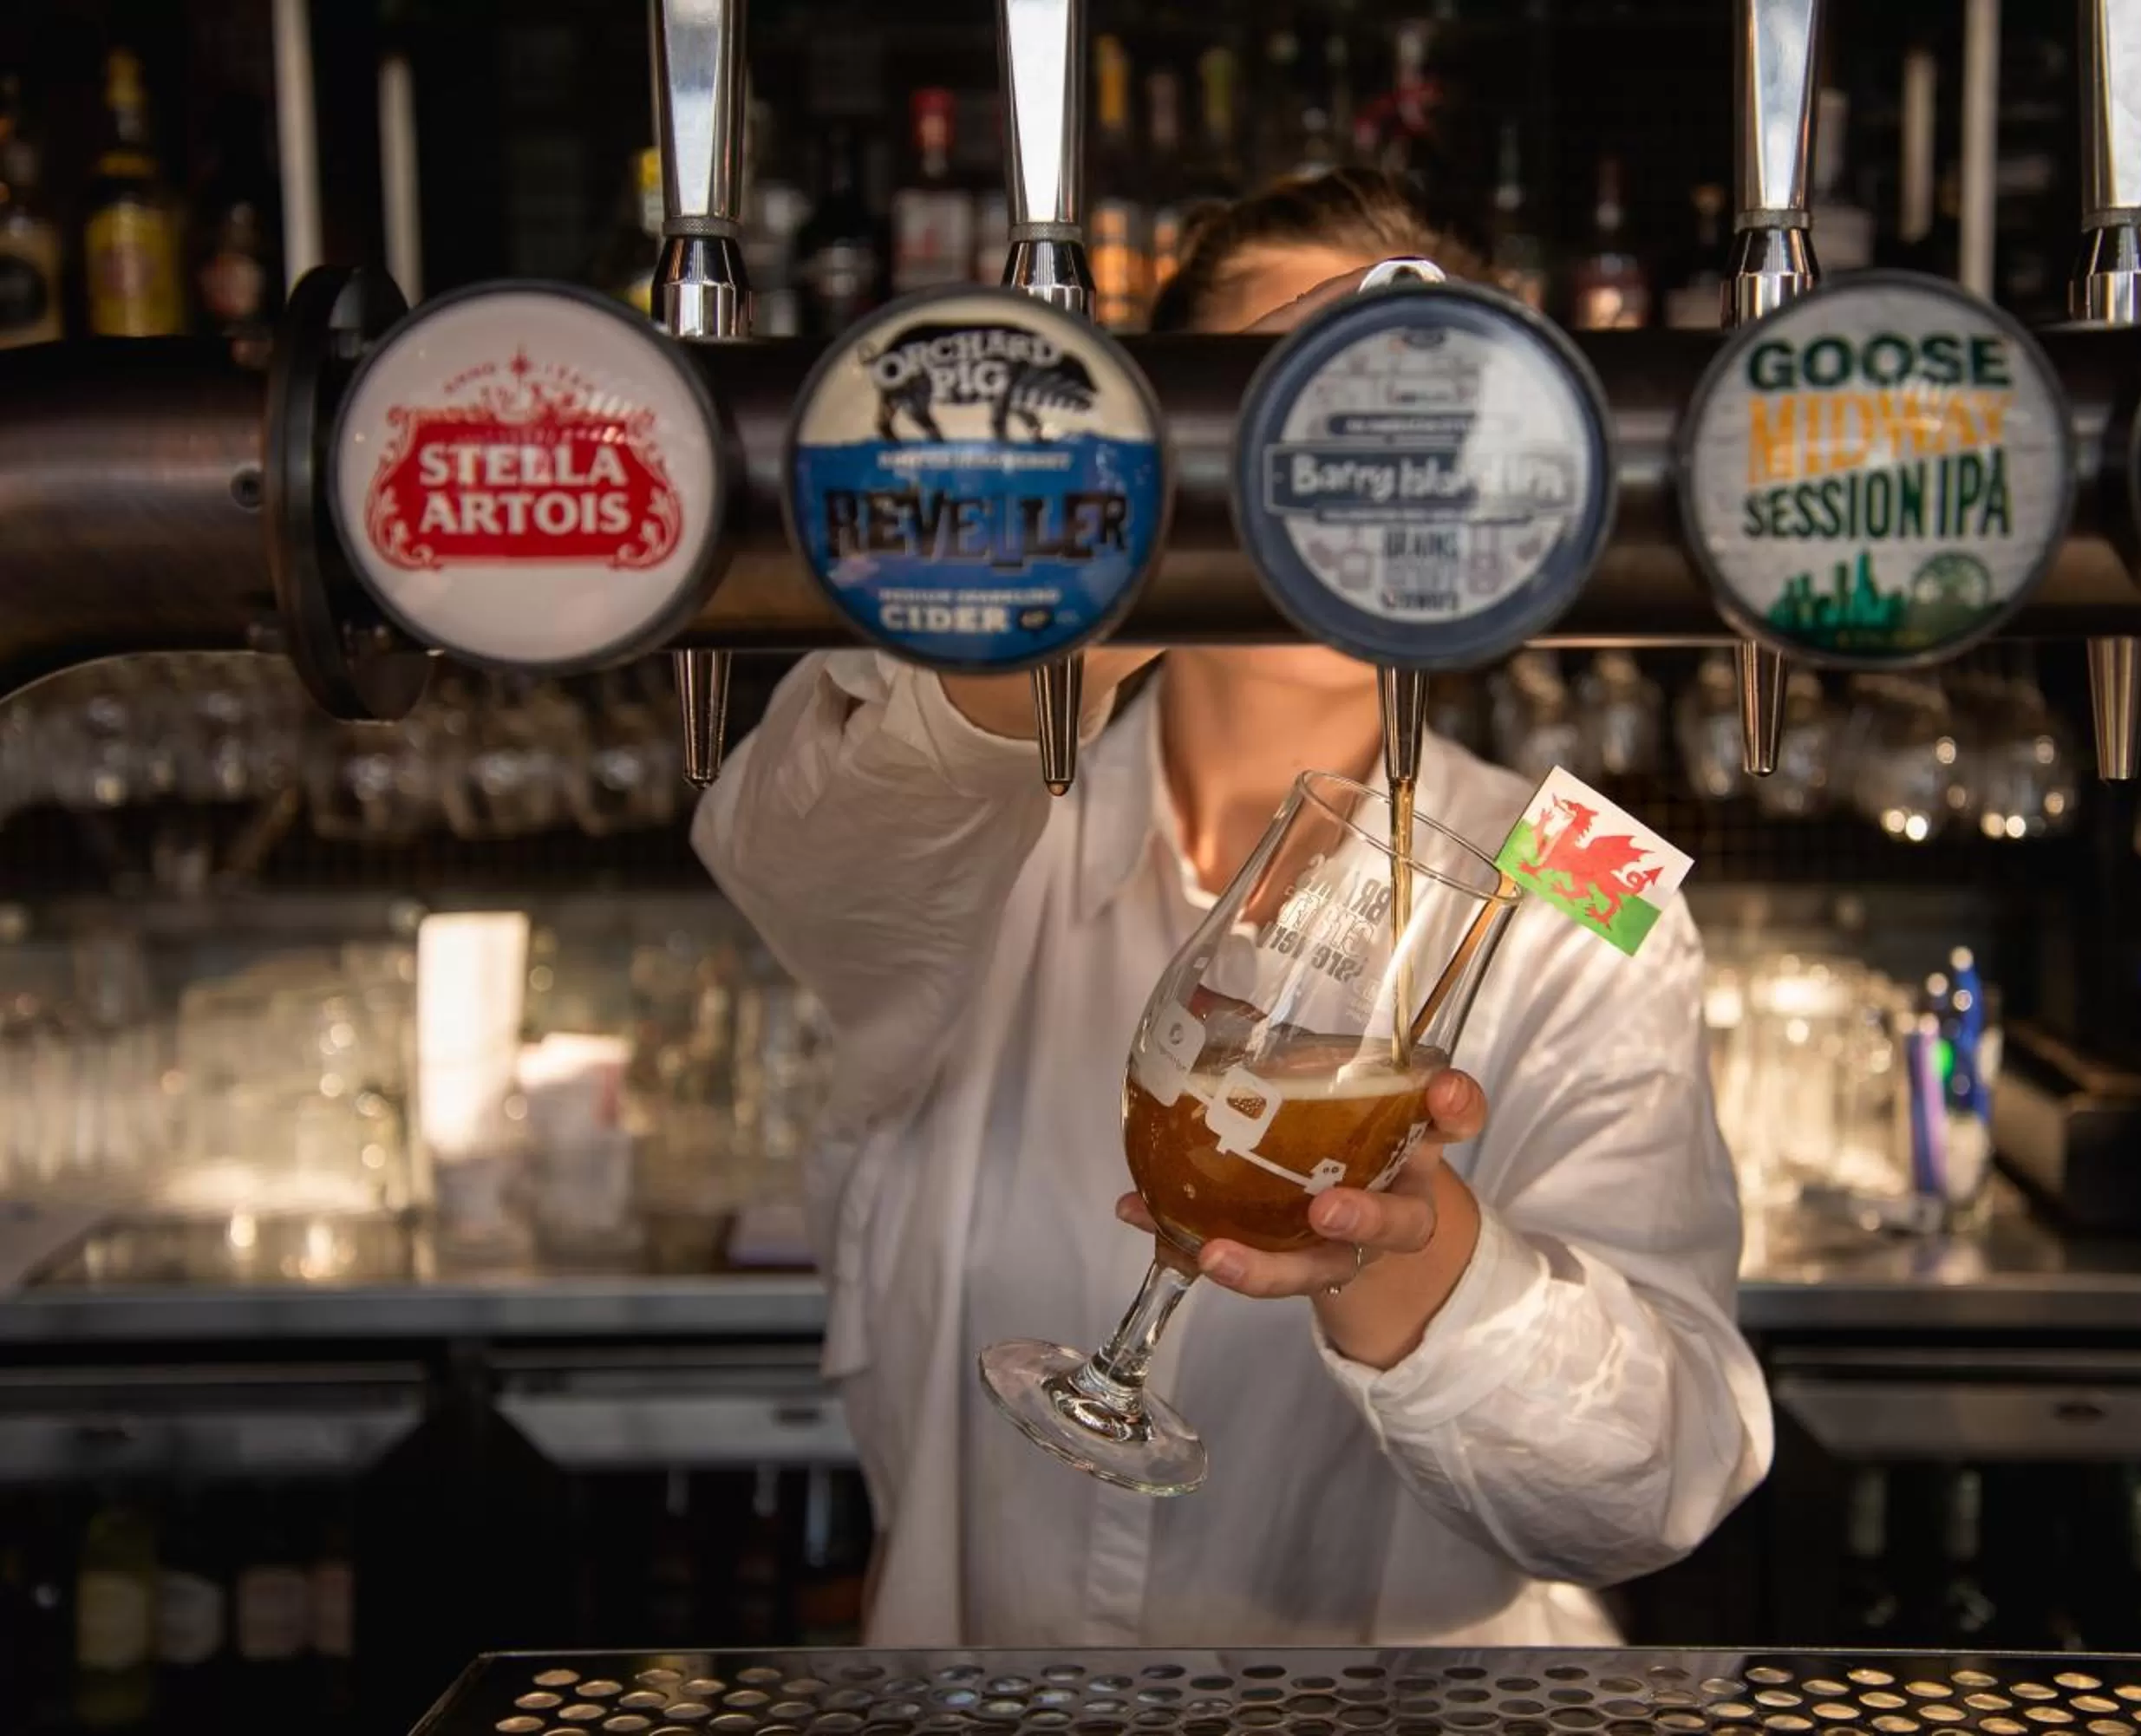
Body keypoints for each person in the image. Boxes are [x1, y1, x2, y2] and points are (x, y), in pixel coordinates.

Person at [693, 167, 1771, 1647]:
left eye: (1417, 418)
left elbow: (1651, 1485)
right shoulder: (984, 818)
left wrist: (1416, 1251)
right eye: (1291, 407)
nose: (1352, 466)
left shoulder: (1582, 869)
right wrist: (1090, 572)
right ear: (1182, 443)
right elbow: (796, 841)